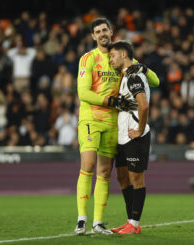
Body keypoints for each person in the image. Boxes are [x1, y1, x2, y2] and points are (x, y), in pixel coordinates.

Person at [74, 18, 159, 235]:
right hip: (92, 118)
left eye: (105, 30)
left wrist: (144, 68)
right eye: (97, 31)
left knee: (107, 172)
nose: (102, 33)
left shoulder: (121, 56)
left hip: (115, 123)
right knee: (90, 164)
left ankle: (99, 222)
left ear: (111, 32)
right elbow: (82, 93)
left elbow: (156, 81)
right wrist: (110, 101)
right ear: (93, 36)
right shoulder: (89, 58)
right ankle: (82, 219)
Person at [109, 40, 151, 234]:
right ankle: (129, 221)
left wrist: (140, 130)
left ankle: (134, 223)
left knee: (136, 178)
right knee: (122, 177)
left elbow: (143, 105)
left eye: (113, 55)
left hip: (135, 135)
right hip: (123, 136)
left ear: (123, 54)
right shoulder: (126, 76)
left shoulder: (134, 76)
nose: (110, 59)